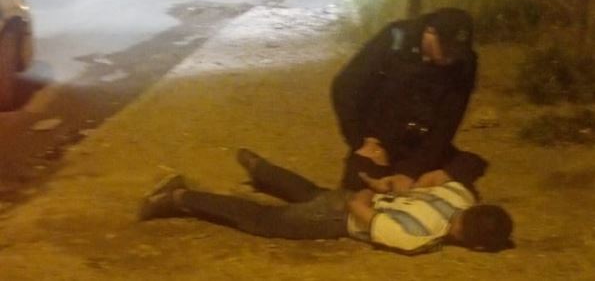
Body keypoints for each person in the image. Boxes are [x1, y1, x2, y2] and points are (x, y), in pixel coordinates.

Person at [139, 149, 513, 255]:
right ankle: (179, 197)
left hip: (344, 199)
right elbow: (360, 213)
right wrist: (371, 192)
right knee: (263, 219)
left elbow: (434, 178)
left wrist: (405, 189)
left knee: (312, 193)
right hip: (340, 217)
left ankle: (262, 169)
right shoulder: (420, 237)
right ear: (474, 244)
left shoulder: (461, 195)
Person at [331, 7, 485, 193]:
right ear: (429, 32)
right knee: (359, 190)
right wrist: (360, 142)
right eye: (446, 48)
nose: (451, 58)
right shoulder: (395, 40)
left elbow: (447, 124)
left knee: (467, 172)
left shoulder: (464, 64)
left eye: (457, 51)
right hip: (379, 138)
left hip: (421, 143)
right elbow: (345, 87)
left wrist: (410, 171)